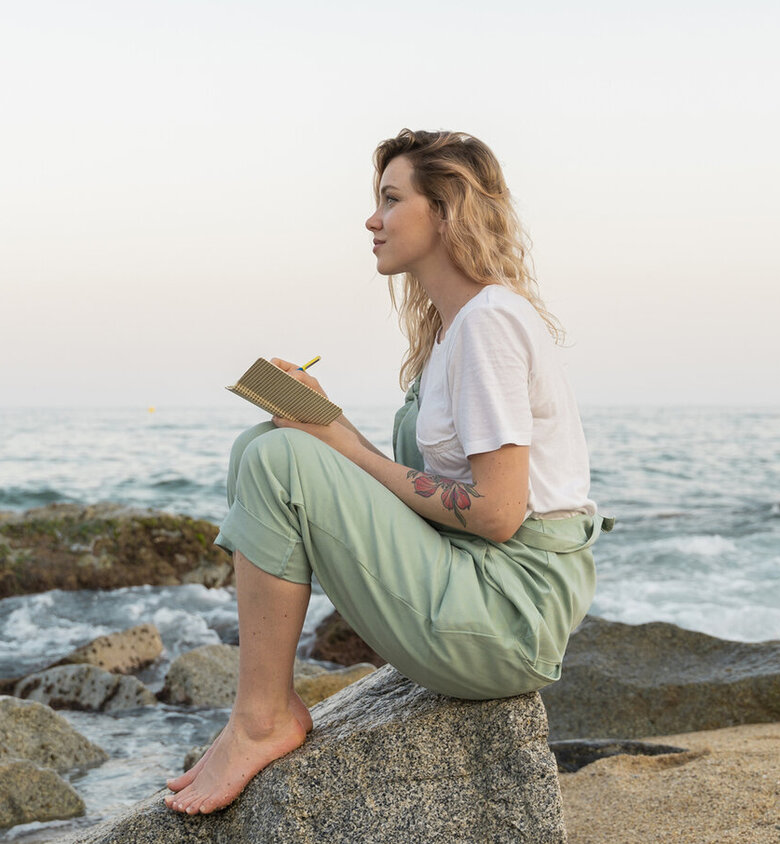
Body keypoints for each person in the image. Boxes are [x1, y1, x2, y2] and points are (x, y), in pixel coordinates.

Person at [164, 128, 611, 815]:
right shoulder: (456, 328)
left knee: (280, 459)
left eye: (391, 199)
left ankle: (262, 720)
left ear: (446, 210)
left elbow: (496, 511)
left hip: (507, 614)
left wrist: (336, 446)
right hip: (481, 587)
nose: (372, 219)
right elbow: (423, 491)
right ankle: (265, 705)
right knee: (263, 446)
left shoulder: (489, 325)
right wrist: (325, 424)